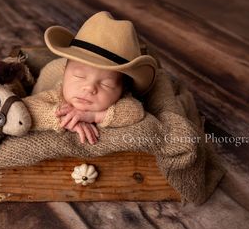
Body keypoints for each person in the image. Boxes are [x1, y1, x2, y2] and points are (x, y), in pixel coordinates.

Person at [22, 11, 158, 144]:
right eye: (79, 76)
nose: (90, 88)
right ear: (65, 74)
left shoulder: (122, 99)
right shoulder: (57, 94)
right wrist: (63, 118)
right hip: (52, 71)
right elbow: (25, 108)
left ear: (122, 90)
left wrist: (95, 116)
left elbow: (135, 111)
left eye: (107, 84)